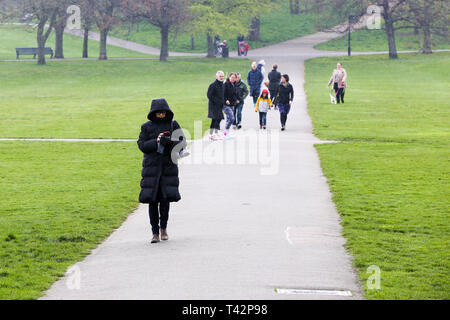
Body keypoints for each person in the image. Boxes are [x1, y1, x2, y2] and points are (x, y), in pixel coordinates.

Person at [137, 98, 186, 244]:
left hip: (167, 167)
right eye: (158, 113)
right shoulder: (146, 127)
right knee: (152, 201)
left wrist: (168, 142)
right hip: (152, 168)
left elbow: (182, 143)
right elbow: (142, 145)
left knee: (165, 200)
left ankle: (164, 228)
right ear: (153, 113)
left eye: (163, 113)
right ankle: (154, 232)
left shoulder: (173, 125)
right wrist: (156, 141)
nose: (161, 115)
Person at [207, 71, 225, 141]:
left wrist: (224, 101)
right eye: (220, 76)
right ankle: (211, 134)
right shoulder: (213, 85)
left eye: (222, 76)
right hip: (213, 105)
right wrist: (216, 101)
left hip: (220, 105)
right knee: (214, 119)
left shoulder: (222, 85)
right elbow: (209, 95)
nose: (221, 77)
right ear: (217, 77)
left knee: (219, 118)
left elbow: (223, 95)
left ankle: (216, 133)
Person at [223, 72, 238, 138]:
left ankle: (226, 134)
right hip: (225, 104)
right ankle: (225, 131)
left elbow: (234, 94)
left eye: (234, 78)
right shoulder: (226, 84)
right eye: (232, 77)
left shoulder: (234, 84)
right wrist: (226, 100)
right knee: (232, 118)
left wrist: (237, 99)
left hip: (232, 104)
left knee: (228, 119)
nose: (233, 78)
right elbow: (222, 94)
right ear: (229, 77)